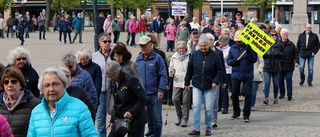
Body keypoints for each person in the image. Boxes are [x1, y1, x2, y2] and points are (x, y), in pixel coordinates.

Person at [27, 67, 98, 136]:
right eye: (47, 85)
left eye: (55, 84)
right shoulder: (36, 112)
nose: (51, 89)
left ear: (64, 85)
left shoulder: (80, 108)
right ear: (42, 89)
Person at [185, 34, 223, 136]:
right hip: (197, 84)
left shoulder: (215, 55)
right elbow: (189, 70)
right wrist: (187, 82)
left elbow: (220, 70)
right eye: (201, 46)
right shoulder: (195, 55)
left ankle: (208, 128)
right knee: (196, 106)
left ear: (209, 45)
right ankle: (196, 128)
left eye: (204, 46)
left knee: (209, 108)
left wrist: (216, 81)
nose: (202, 48)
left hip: (210, 85)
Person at [136, 36, 167, 137]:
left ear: (150, 45)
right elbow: (135, 76)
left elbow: (163, 75)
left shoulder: (158, 58)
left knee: (157, 118)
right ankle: (149, 131)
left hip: (155, 93)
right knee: (143, 118)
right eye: (141, 46)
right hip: (142, 94)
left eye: (144, 46)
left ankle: (157, 135)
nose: (142, 48)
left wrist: (161, 90)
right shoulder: (139, 58)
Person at [106, 61, 147, 137]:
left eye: (112, 76)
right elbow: (116, 103)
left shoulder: (130, 80)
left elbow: (143, 98)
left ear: (118, 71)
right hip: (121, 117)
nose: (110, 78)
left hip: (136, 118)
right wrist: (112, 120)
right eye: (108, 76)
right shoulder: (113, 82)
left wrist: (131, 112)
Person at [0, 66, 40, 137]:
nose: (10, 85)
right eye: (6, 82)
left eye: (13, 81)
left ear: (21, 84)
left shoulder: (34, 103)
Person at [227, 31, 257, 123]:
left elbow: (254, 60)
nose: (238, 42)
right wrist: (233, 62)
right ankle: (236, 112)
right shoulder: (232, 48)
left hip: (247, 74)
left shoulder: (249, 47)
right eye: (237, 41)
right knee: (234, 94)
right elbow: (228, 61)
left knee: (248, 94)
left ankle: (246, 114)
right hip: (236, 74)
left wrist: (250, 52)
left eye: (240, 41)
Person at [92, 33, 112, 137]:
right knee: (100, 118)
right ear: (100, 43)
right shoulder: (94, 56)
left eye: (109, 41)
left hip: (113, 91)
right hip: (100, 91)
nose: (107, 43)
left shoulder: (114, 55)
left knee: (115, 116)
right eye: (105, 41)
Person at [168, 41, 190, 127]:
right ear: (177, 49)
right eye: (180, 48)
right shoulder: (174, 57)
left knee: (185, 101)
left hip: (187, 82)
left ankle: (184, 119)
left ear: (185, 48)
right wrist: (171, 72)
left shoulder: (189, 56)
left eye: (183, 48)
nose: (181, 50)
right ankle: (179, 116)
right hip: (177, 81)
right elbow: (171, 67)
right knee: (175, 99)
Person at [207, 33, 226, 128]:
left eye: (211, 40)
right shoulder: (202, 51)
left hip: (216, 79)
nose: (209, 42)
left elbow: (222, 67)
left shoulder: (218, 52)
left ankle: (213, 120)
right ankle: (208, 119)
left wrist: (224, 80)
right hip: (205, 79)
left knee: (214, 100)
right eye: (207, 40)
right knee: (207, 102)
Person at [262, 29, 284, 105]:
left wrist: (278, 55)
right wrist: (266, 54)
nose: (274, 36)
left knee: (276, 83)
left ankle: (275, 97)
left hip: (276, 66)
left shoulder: (279, 44)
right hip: (267, 65)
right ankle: (266, 98)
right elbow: (262, 54)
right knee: (267, 82)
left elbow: (283, 54)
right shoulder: (265, 44)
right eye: (272, 35)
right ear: (269, 36)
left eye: (275, 35)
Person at [279, 28, 299, 101]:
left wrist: (296, 62)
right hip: (280, 66)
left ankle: (289, 94)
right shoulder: (278, 44)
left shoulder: (291, 44)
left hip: (289, 66)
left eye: (287, 34)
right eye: (284, 34)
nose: (286, 35)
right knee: (280, 80)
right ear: (281, 35)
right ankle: (282, 93)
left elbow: (296, 53)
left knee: (289, 79)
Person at [216, 35, 232, 114]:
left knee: (224, 88)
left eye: (221, 41)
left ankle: (225, 106)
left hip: (227, 70)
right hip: (219, 71)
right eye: (219, 41)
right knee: (218, 89)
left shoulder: (229, 49)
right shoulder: (218, 49)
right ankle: (218, 105)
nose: (219, 43)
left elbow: (225, 58)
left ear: (225, 42)